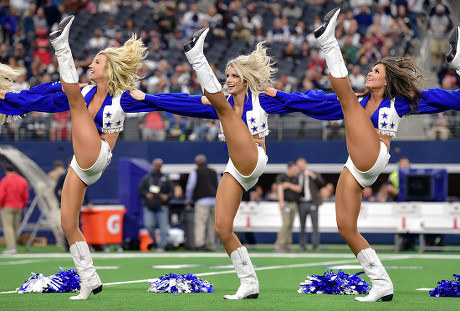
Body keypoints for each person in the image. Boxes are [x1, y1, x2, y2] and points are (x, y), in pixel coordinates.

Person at [308, 8, 460, 302]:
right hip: (355, 163)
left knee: (346, 99)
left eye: (376, 71)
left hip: (375, 154)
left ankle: (328, 41)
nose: (369, 72)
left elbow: (450, 99)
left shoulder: (401, 101)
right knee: (345, 227)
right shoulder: (360, 100)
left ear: (387, 80)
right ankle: (381, 283)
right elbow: (314, 102)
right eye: (371, 69)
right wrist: (281, 98)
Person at [185, 154, 220, 251]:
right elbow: (220, 185)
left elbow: (190, 187)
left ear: (196, 163)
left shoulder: (195, 172)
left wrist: (188, 199)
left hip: (202, 200)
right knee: (212, 223)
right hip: (214, 200)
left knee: (200, 223)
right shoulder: (214, 171)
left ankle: (200, 243)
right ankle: (211, 244)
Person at [138, 158, 173, 252]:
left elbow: (171, 192)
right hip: (149, 206)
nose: (157, 167)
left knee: (163, 228)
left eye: (158, 165)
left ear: (161, 166)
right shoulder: (147, 178)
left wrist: (167, 196)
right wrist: (146, 194)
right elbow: (140, 190)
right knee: (149, 226)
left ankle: (162, 246)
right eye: (155, 165)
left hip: (162, 206)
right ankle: (155, 242)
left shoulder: (165, 179)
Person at [296, 157, 325, 252]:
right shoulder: (297, 175)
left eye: (301, 165)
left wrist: (313, 176)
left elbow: (322, 183)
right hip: (301, 203)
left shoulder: (313, 173)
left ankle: (315, 246)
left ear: (305, 164)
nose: (300, 167)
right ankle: (302, 246)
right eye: (298, 166)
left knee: (315, 226)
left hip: (312, 202)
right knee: (302, 226)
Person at [0, 164, 29, 254]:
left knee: (8, 227)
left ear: (6, 171)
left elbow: (2, 195)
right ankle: (14, 245)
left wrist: (1, 205)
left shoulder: (5, 180)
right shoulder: (22, 180)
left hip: (7, 206)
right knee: (15, 227)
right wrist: (23, 204)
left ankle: (11, 247)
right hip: (19, 206)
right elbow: (25, 195)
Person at [274, 161, 301, 253]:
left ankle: (287, 245)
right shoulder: (281, 177)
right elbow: (280, 188)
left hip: (294, 203)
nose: (296, 171)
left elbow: (299, 189)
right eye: (294, 169)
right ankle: (279, 245)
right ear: (289, 169)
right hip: (285, 203)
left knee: (290, 225)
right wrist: (281, 202)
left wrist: (289, 185)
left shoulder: (295, 178)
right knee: (286, 224)